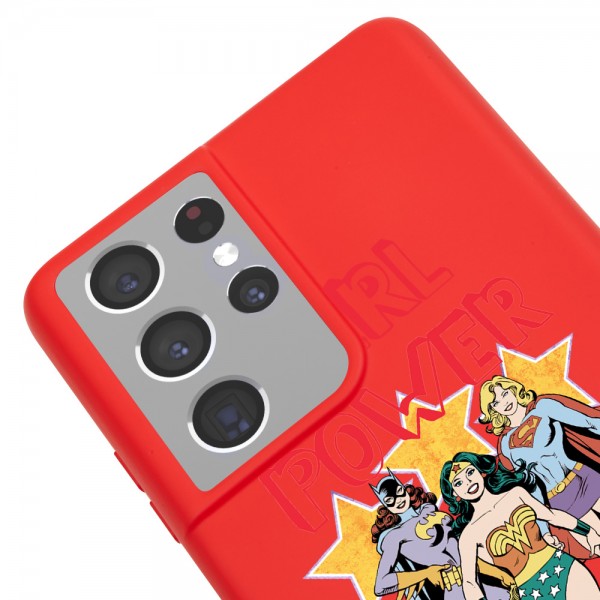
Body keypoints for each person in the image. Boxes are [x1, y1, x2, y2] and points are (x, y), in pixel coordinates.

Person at [440, 452, 600, 600]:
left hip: (563, 565)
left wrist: (589, 532)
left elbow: (552, 516)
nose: (468, 482)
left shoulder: (516, 494)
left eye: (470, 472)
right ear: (455, 494)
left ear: (481, 472)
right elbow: (470, 583)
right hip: (530, 590)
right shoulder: (469, 535)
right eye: (458, 483)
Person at [479, 375, 600, 556]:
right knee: (596, 543)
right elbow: (531, 487)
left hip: (583, 478)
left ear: (514, 390)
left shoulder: (543, 407)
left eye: (505, 394)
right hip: (560, 500)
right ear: (492, 410)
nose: (504, 402)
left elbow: (589, 423)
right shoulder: (505, 445)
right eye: (496, 402)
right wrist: (544, 529)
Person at [370, 468, 515, 599]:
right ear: (385, 505)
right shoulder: (394, 537)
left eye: (399, 493)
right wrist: (426, 573)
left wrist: (497, 573)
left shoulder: (429, 511)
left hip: (479, 582)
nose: (399, 500)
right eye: (390, 500)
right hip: (452, 591)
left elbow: (462, 555)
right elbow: (381, 585)